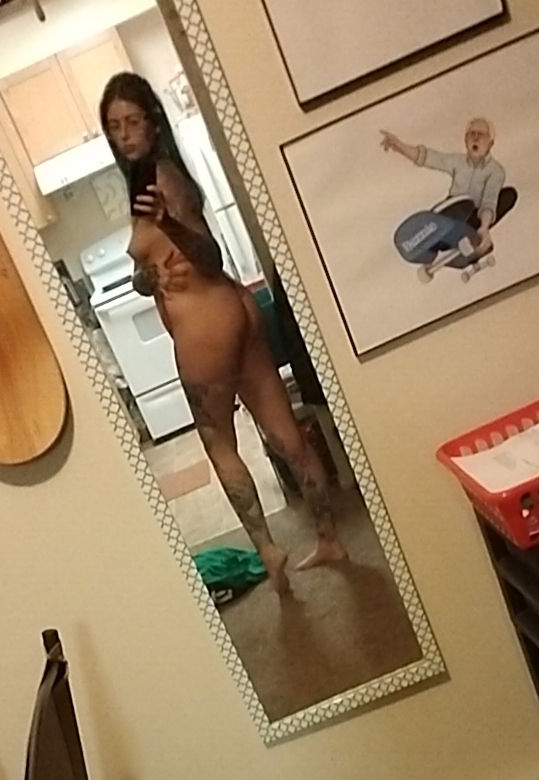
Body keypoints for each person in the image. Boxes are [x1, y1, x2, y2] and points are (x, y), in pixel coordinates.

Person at [100, 72, 345, 594]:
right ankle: (329, 539)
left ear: (153, 122)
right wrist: (146, 278)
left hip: (205, 326)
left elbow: (209, 256)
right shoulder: (150, 180)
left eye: (133, 122)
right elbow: (158, 264)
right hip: (236, 311)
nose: (124, 134)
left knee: (218, 441)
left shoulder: (163, 181)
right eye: (114, 126)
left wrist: (169, 228)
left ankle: (269, 551)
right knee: (284, 432)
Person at [380, 117, 516, 256]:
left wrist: (484, 227)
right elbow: (428, 158)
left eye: (480, 135)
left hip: (475, 216)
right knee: (455, 210)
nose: (475, 138)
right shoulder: (457, 161)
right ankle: (434, 241)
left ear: (490, 143)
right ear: (466, 140)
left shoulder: (496, 171)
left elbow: (489, 202)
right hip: (453, 211)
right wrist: (399, 146)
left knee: (509, 194)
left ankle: (467, 239)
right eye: (472, 134)